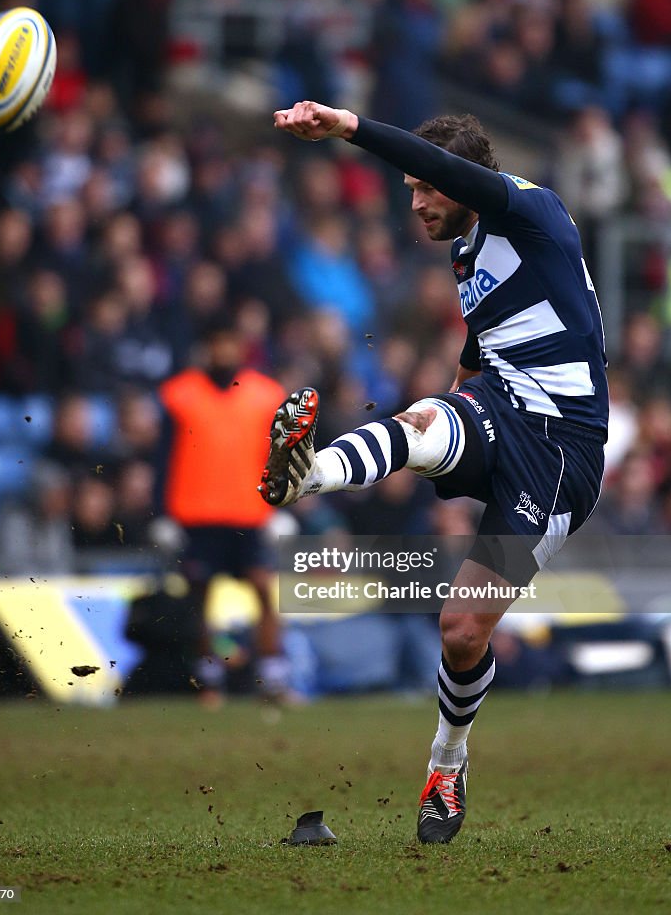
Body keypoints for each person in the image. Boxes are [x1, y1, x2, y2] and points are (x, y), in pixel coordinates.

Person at [260, 100, 608, 844]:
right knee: (423, 416)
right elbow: (482, 348)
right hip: (500, 407)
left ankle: (446, 764)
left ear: (464, 181)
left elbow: (456, 175)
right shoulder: (465, 250)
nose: (415, 202)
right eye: (410, 189)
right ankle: (305, 474)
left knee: (459, 628)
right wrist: (449, 412)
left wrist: (350, 129)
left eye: (427, 188)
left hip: (557, 450)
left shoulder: (529, 209)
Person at [159, 320, 290, 701]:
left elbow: (279, 454)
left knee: (264, 591)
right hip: (197, 513)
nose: (223, 352)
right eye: (217, 344)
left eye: (230, 343)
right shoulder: (180, 395)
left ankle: (273, 677)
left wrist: (282, 501)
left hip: (250, 513)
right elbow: (163, 457)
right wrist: (162, 512)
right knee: (201, 598)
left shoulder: (266, 395)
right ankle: (209, 680)